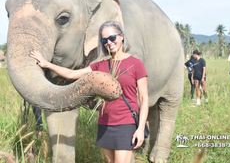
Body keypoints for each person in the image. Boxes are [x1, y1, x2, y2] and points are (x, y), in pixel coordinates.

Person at [29, 20, 149, 163]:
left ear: (121, 36)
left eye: (112, 38)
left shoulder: (136, 64)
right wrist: (47, 64)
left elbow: (144, 98)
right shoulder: (101, 65)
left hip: (126, 123)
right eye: (105, 40)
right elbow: (71, 74)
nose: (109, 43)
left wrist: (140, 128)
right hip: (105, 124)